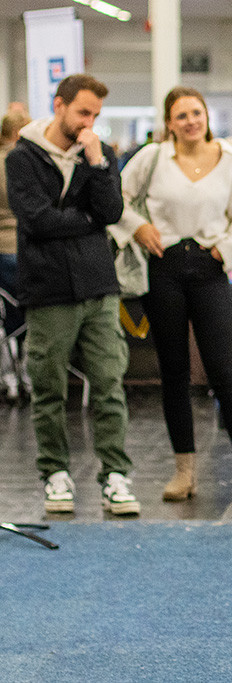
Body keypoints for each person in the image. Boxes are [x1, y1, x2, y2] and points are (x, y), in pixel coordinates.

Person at [113, 86, 232, 503]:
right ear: (169, 123)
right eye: (181, 116)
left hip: (212, 268)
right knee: (174, 373)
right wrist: (138, 228)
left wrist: (227, 248)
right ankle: (184, 472)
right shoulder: (152, 158)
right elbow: (117, 200)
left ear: (207, 117)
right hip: (164, 269)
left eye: (196, 113)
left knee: (223, 372)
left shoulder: (231, 160)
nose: (190, 121)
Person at [5, 74, 140, 515]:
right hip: (48, 291)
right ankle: (55, 474)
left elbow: (113, 212)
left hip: (99, 286)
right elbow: (37, 221)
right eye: (83, 112)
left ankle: (115, 476)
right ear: (59, 105)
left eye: (97, 115)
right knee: (48, 388)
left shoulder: (98, 154)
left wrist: (99, 165)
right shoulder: (22, 158)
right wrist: (86, 221)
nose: (89, 123)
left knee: (108, 384)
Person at [0, 111, 30, 402]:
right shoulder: (22, 164)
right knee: (29, 317)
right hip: (19, 250)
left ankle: (7, 378)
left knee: (4, 320)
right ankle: (29, 377)